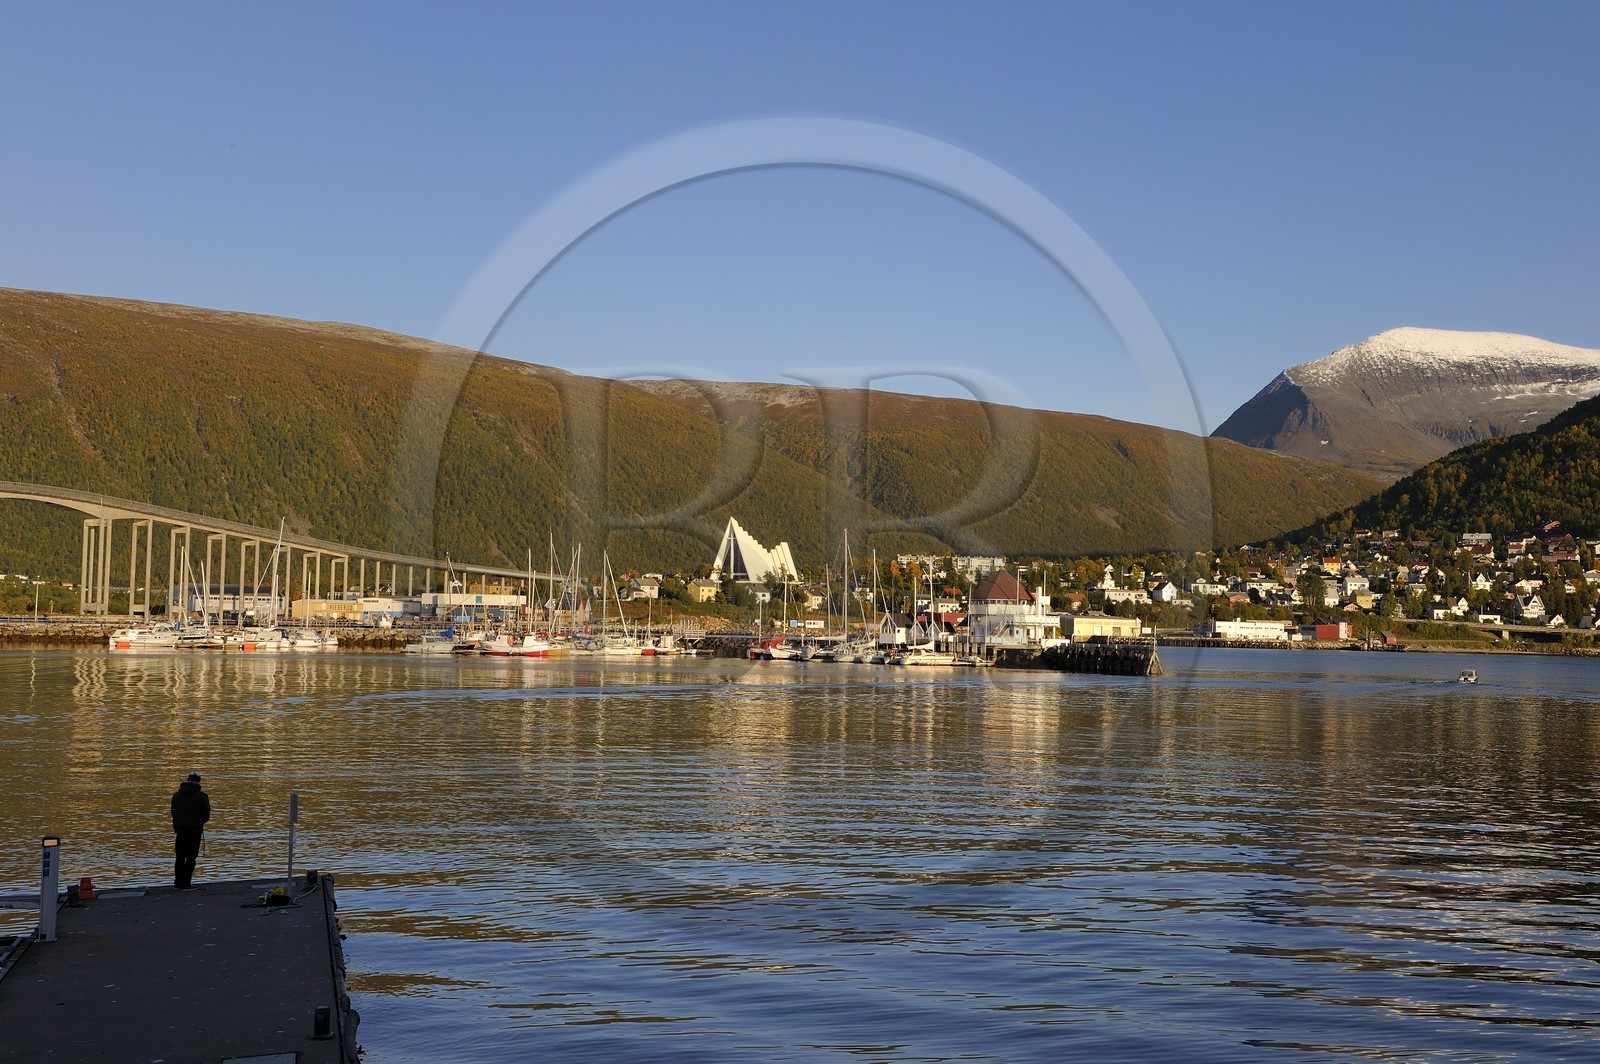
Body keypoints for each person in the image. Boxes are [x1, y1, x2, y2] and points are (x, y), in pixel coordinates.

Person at [170, 771, 211, 889]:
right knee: (191, 857)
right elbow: (206, 814)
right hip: (195, 831)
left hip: (180, 831)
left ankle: (178, 883)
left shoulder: (176, 796)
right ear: (198, 782)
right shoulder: (202, 796)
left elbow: (173, 812)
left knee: (180, 857)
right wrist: (199, 823)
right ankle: (186, 883)